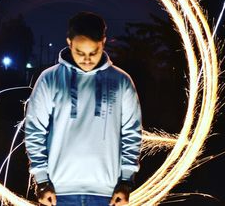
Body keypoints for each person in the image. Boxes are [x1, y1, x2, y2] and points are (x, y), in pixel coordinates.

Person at [25, 11, 142, 206]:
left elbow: (132, 133)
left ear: (103, 42)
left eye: (93, 52)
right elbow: (34, 131)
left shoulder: (121, 82)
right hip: (57, 192)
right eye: (80, 52)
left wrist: (126, 181)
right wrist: (42, 180)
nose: (86, 59)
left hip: (108, 193)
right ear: (69, 42)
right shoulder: (49, 79)